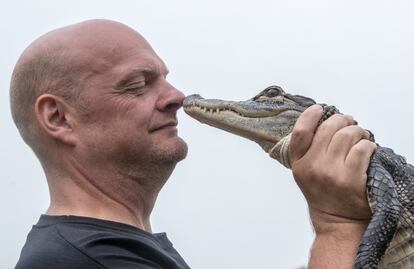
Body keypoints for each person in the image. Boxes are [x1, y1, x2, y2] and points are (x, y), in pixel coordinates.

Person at [10, 19, 376, 269]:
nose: (175, 97)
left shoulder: (124, 249)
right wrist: (337, 223)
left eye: (165, 80)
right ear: (58, 117)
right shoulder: (80, 259)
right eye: (137, 84)